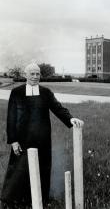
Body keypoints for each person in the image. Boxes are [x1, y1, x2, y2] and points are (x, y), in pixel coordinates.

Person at [1, 63, 84, 208]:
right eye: (32, 73)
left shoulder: (46, 92)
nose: (35, 76)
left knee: (43, 169)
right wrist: (13, 140)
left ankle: (41, 199)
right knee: (19, 170)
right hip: (22, 139)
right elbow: (11, 118)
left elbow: (58, 108)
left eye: (37, 74)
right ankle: (13, 200)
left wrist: (70, 119)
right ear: (25, 75)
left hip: (43, 139)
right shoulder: (17, 92)